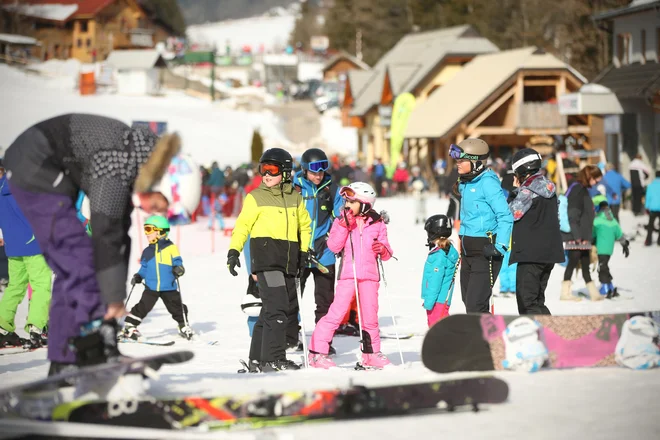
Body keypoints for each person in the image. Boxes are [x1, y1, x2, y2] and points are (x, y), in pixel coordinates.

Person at [3, 114, 179, 375]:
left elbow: (119, 233)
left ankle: (66, 360)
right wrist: (112, 300)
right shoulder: (119, 161)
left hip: (47, 169)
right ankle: (88, 353)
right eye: (160, 206)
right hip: (35, 166)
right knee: (81, 260)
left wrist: (115, 294)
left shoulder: (137, 162)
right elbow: (104, 229)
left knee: (80, 264)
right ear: (161, 185)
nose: (156, 212)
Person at [227, 148, 312, 372]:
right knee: (278, 309)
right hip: (267, 262)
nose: (266, 175)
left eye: (271, 170)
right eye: (263, 169)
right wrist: (234, 251)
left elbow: (305, 225)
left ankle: (257, 359)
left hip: (288, 263)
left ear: (285, 172)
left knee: (269, 311)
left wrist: (303, 252)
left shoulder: (295, 197)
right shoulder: (256, 197)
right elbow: (242, 226)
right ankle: (274, 358)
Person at [308, 182, 393, 369]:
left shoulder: (377, 223)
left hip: (370, 276)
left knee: (370, 317)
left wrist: (383, 249)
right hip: (348, 274)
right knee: (336, 314)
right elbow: (333, 246)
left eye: (351, 201)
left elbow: (387, 253)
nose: (346, 205)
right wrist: (344, 225)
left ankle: (371, 354)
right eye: (346, 201)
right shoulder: (343, 221)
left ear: (364, 203)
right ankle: (316, 353)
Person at [450, 139, 513, 313]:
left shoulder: (488, 183)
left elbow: (505, 215)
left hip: (486, 251)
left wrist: (500, 246)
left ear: (476, 161)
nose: (458, 164)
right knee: (469, 301)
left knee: (475, 304)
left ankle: (482, 339)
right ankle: (485, 338)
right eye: (457, 160)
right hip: (468, 251)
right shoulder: (465, 183)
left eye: (462, 160)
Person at [292, 148, 343, 353]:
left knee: (325, 300)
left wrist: (331, 239)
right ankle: (291, 336)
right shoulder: (294, 189)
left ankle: (322, 341)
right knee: (293, 297)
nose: (318, 174)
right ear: (304, 170)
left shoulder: (332, 189)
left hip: (324, 253)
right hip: (301, 252)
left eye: (322, 170)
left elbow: (341, 218)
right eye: (314, 170)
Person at [507, 148, 565, 314]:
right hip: (549, 252)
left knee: (527, 302)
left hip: (531, 254)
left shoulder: (527, 191)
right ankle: (549, 334)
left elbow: (511, 214)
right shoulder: (550, 188)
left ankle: (538, 336)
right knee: (537, 300)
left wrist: (513, 193)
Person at [0, 167, 52, 348]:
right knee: (41, 286)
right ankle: (37, 328)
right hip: (34, 243)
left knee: (15, 286)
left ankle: (2, 327)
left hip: (13, 247)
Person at [122, 215, 190, 340]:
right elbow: (144, 268)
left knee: (176, 306)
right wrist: (139, 276)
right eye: (145, 230)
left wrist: (179, 269)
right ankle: (129, 326)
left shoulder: (171, 248)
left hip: (168, 286)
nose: (146, 233)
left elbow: (177, 262)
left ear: (160, 231)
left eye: (149, 230)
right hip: (151, 287)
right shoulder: (147, 251)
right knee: (143, 306)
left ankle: (183, 325)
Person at [561, 164, 603, 302]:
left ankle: (593, 293)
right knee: (573, 263)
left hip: (583, 237)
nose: (597, 182)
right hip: (576, 237)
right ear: (589, 176)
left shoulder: (582, 189)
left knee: (585, 263)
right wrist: (578, 236)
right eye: (596, 179)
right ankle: (565, 293)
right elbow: (573, 215)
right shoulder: (578, 189)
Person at [421, 215, 459, 327]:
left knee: (436, 328)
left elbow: (435, 282)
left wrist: (429, 302)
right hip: (441, 300)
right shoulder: (447, 251)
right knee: (441, 327)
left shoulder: (439, 256)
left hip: (437, 301)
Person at [592, 195, 630, 299]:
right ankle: (610, 286)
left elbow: (592, 233)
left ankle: (605, 288)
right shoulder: (613, 221)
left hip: (601, 249)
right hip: (609, 250)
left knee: (602, 268)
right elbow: (619, 234)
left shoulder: (597, 220)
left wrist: (590, 242)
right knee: (604, 267)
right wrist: (625, 245)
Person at [644, 170, 660, 246]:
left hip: (653, 208)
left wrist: (647, 207)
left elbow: (648, 197)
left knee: (650, 225)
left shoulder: (650, 185)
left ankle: (648, 241)